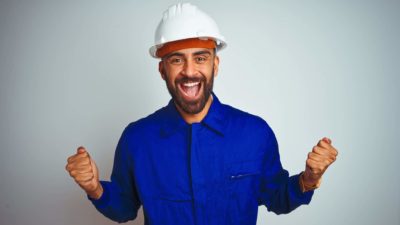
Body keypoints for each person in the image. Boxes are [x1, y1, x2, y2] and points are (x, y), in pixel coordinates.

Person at [65, 3, 338, 225]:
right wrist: (95, 188)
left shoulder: (254, 134)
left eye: (200, 58)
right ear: (162, 70)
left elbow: (277, 198)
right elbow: (124, 208)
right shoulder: (137, 139)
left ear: (215, 65)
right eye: (176, 59)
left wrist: (309, 179)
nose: (189, 71)